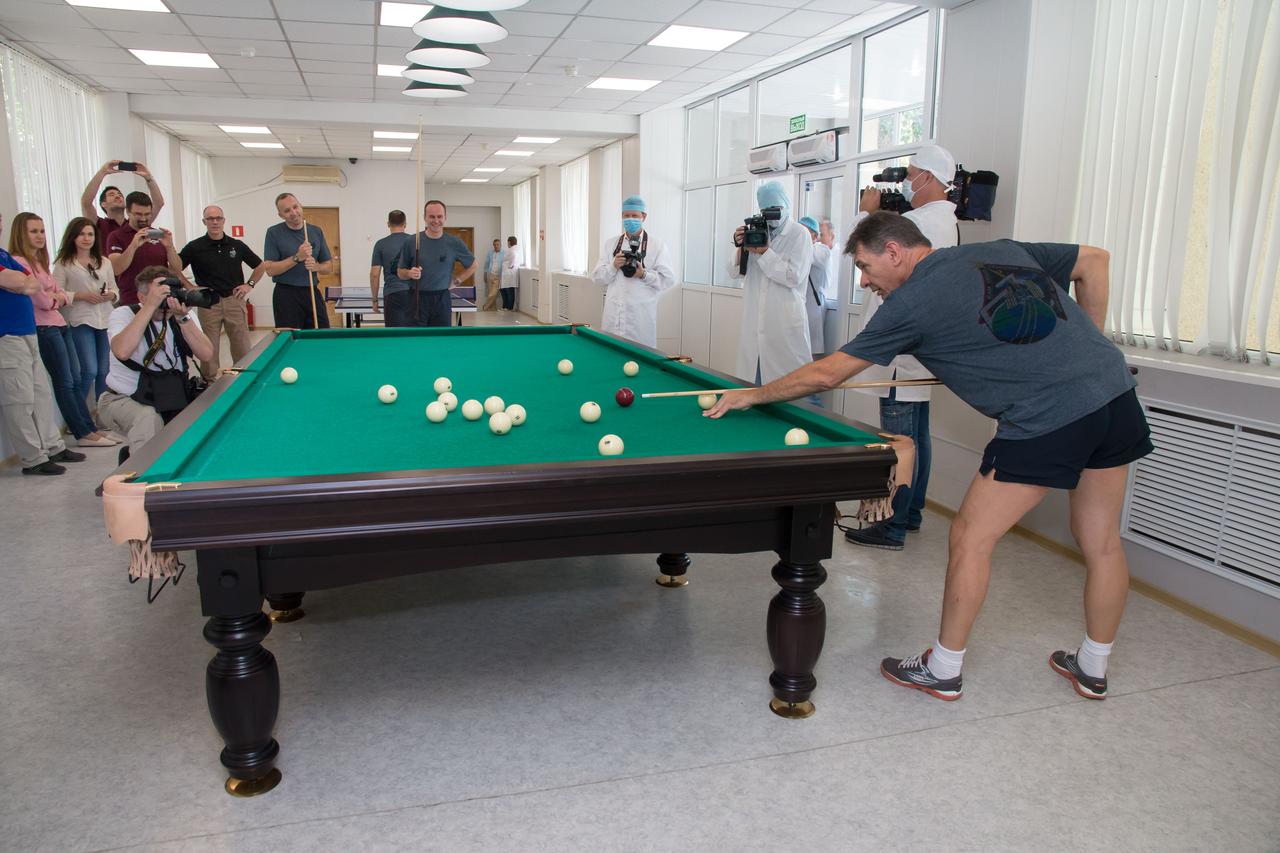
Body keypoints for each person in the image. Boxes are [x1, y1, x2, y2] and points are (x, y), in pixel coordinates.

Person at [706, 212, 1151, 704]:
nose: (864, 281)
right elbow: (1095, 261)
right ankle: (1093, 666)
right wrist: (1088, 350)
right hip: (1115, 393)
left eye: (866, 267)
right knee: (1102, 543)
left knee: (970, 538)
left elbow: (828, 374)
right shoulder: (999, 249)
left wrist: (754, 395)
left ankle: (943, 669)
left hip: (1047, 416)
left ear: (895, 252)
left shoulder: (911, 302)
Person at [845, 144, 961, 551]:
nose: (906, 182)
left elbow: (865, 250)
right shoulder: (946, 222)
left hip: (900, 351)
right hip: (919, 350)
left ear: (927, 177)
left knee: (899, 439)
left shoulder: (918, 223)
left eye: (910, 174)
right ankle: (909, 514)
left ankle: (890, 524)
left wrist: (867, 213)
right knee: (917, 436)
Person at [9, 212, 116, 448]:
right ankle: (82, 432)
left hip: (60, 323)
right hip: (46, 325)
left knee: (76, 378)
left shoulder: (38, 261)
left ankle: (90, 429)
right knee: (68, 380)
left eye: (42, 231)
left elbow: (55, 292)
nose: (39, 236)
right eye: (33, 231)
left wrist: (57, 297)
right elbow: (45, 299)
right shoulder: (20, 262)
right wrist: (59, 298)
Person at [0, 212, 88, 475]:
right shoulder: (12, 258)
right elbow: (23, 283)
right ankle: (33, 459)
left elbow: (30, 283)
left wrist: (22, 282)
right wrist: (21, 282)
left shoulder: (3, 255)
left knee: (41, 394)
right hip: (6, 335)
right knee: (20, 400)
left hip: (28, 332)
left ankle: (53, 446)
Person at [98, 266, 214, 457]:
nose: (165, 301)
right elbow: (122, 351)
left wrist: (182, 318)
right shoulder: (124, 314)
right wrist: (150, 307)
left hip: (170, 394)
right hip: (123, 398)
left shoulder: (182, 315)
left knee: (209, 418)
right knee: (148, 420)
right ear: (142, 297)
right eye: (159, 294)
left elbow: (206, 354)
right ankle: (143, 470)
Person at [731, 180, 813, 384]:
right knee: (753, 382)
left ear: (786, 205)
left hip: (784, 325)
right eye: (766, 210)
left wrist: (765, 252)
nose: (772, 215)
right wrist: (741, 247)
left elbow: (793, 276)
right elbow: (734, 272)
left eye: (776, 208)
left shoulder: (799, 234)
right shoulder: (756, 232)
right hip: (755, 324)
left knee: (792, 386)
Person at [178, 205, 265, 379]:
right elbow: (174, 268)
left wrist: (249, 285)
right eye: (210, 219)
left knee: (242, 346)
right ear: (204, 222)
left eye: (218, 218)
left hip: (234, 300)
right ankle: (209, 382)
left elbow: (260, 266)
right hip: (208, 303)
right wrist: (189, 286)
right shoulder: (195, 247)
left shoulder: (236, 245)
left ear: (224, 220)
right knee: (209, 347)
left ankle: (242, 379)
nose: (215, 222)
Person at [589, 195, 675, 348]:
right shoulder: (611, 244)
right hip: (613, 316)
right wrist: (613, 266)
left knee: (641, 356)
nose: (630, 219)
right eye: (626, 215)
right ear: (622, 216)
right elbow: (596, 278)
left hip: (640, 319)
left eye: (635, 216)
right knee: (611, 353)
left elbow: (668, 280)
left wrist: (644, 275)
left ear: (644, 216)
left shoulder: (657, 245)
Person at [53, 217, 120, 409]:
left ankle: (102, 413)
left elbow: (115, 289)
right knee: (89, 370)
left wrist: (110, 295)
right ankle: (78, 415)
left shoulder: (104, 262)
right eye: (81, 234)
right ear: (73, 237)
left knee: (104, 371)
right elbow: (56, 293)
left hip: (104, 319)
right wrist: (81, 295)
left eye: (90, 234)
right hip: (80, 320)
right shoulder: (64, 263)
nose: (86, 238)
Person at [396, 200, 477, 327]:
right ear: (424, 218)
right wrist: (409, 273)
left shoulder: (454, 243)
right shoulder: (411, 241)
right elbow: (400, 273)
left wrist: (456, 281)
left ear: (445, 217)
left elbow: (473, 265)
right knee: (415, 338)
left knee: (441, 338)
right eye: (432, 217)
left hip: (442, 300)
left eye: (439, 216)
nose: (436, 220)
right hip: (416, 299)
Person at [262, 193, 332, 329]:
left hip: (311, 291)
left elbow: (328, 266)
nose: (293, 213)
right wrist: (297, 258)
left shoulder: (316, 231)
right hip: (286, 295)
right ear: (281, 215)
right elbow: (270, 270)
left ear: (301, 206)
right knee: (290, 336)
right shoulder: (273, 233)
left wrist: (316, 267)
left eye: (295, 207)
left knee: (321, 334)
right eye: (287, 210)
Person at [106, 191, 181, 307]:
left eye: (147, 214)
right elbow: (116, 269)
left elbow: (177, 269)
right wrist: (133, 246)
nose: (143, 218)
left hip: (162, 299)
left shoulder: (158, 235)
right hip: (132, 301)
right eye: (138, 214)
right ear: (128, 212)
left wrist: (170, 247)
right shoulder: (116, 236)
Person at [81, 160, 166, 256]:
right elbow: (86, 203)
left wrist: (149, 177)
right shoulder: (99, 224)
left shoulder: (136, 222)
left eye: (120, 194)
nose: (117, 196)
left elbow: (159, 203)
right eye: (112, 195)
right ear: (103, 204)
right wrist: (102, 172)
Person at [370, 210, 413, 327]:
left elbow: (374, 275)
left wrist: (375, 300)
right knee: (413, 332)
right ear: (405, 224)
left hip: (392, 294)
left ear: (388, 224)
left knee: (394, 333)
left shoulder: (380, 244)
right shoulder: (415, 241)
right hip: (414, 294)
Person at [798, 216, 828, 360]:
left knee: (812, 349)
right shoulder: (797, 248)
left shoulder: (822, 250)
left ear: (815, 236)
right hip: (799, 303)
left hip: (814, 305)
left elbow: (810, 255)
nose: (799, 236)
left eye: (804, 232)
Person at [500, 236, 521, 311]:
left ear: (509, 242)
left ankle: (509, 307)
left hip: (509, 273)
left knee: (509, 290)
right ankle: (506, 306)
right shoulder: (513, 249)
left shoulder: (512, 250)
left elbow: (513, 256)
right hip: (508, 273)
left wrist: (510, 266)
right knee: (505, 289)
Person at [482, 238, 503, 312]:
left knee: (493, 293)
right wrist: (485, 274)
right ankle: (493, 309)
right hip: (490, 274)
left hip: (498, 276)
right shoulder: (490, 253)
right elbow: (486, 264)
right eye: (495, 245)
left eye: (497, 245)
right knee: (491, 292)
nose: (496, 246)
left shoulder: (504, 253)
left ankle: (485, 307)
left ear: (500, 245)